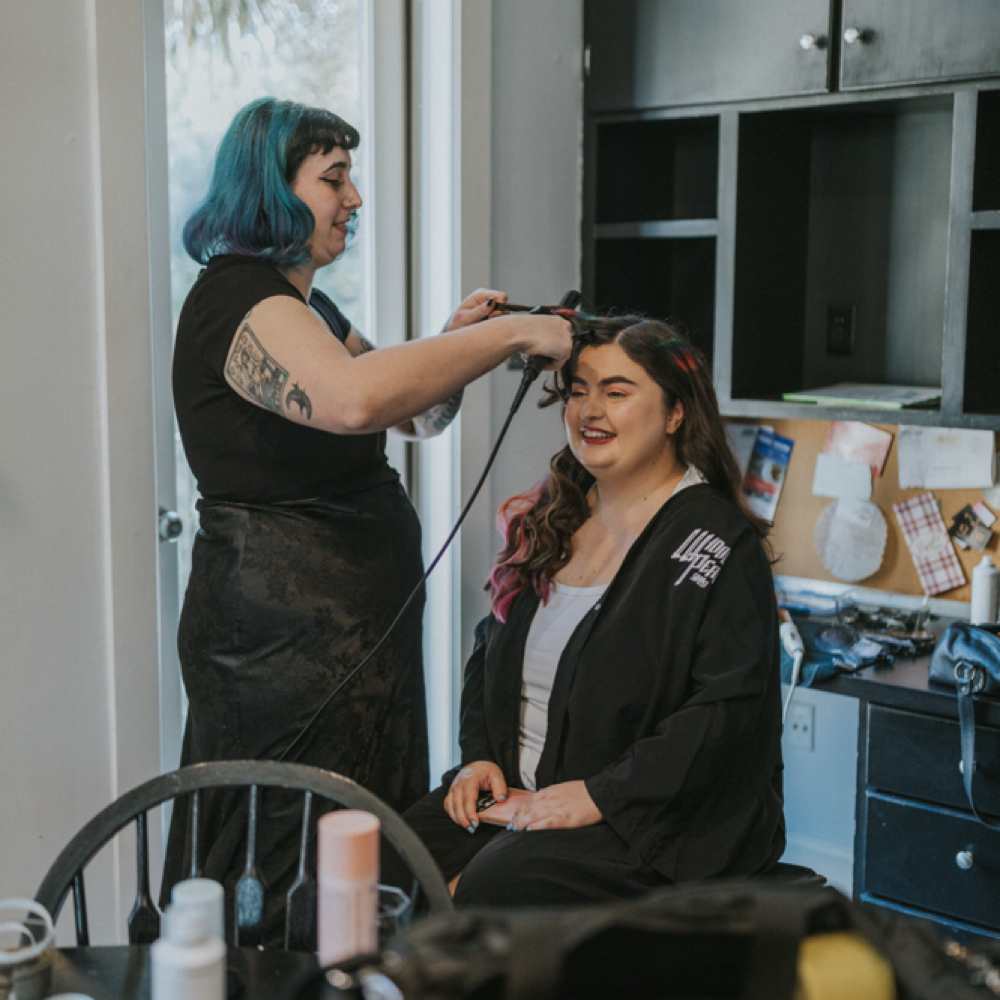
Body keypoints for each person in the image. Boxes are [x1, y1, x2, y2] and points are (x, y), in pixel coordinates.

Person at [159, 97, 572, 940]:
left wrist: (453, 340)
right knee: (282, 859)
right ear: (272, 188)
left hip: (353, 647)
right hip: (278, 656)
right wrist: (513, 337)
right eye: (334, 178)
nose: (353, 198)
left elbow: (413, 413)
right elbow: (353, 402)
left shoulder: (308, 310)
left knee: (359, 858)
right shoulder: (237, 299)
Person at [384, 317, 785, 906]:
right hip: (520, 798)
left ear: (675, 413)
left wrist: (601, 795)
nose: (590, 411)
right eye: (579, 391)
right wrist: (478, 758)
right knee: (380, 859)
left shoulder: (714, 543)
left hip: (648, 822)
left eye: (617, 392)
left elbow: (725, 713)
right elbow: (488, 647)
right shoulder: (550, 517)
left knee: (491, 887)